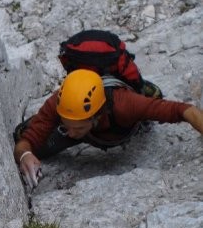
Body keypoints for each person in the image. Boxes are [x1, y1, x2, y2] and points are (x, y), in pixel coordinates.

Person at [14, 69, 203, 189]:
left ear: (97, 114)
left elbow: (184, 110)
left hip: (120, 127)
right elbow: (26, 142)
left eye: (77, 127)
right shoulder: (60, 102)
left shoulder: (126, 105)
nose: (71, 132)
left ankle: (145, 90)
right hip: (91, 132)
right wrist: (25, 155)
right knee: (30, 140)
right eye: (66, 124)